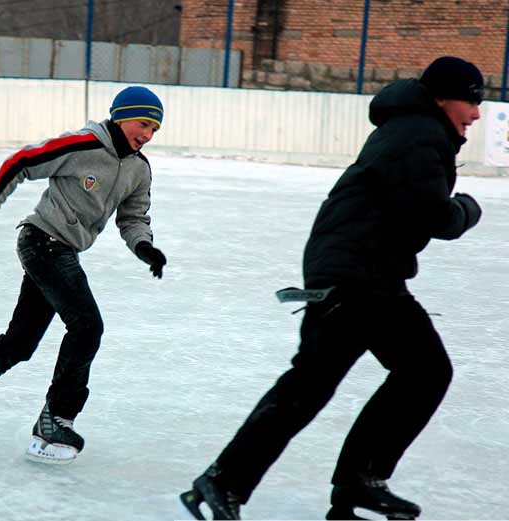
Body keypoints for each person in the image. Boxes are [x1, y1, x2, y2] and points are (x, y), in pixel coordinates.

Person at [180, 56, 484, 520]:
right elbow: (431, 215)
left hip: (360, 272)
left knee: (356, 380)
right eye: (471, 100)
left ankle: (257, 482)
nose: (477, 113)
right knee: (404, 374)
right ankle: (330, 480)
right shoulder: (419, 134)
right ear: (443, 98)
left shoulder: (414, 129)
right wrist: (466, 209)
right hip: (357, 276)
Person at [0, 86, 167, 463]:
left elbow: (134, 217)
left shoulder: (139, 169)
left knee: (19, 345)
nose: (147, 135)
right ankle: (57, 416)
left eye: (155, 130)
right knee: (87, 326)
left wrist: (144, 247)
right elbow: (22, 161)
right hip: (42, 242)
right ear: (122, 115)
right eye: (143, 124)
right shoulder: (83, 145)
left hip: (64, 250)